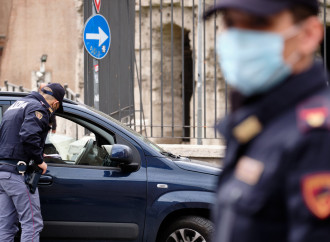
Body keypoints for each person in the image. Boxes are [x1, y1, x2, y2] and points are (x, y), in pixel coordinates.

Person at [204, 0, 330, 241]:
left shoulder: (317, 137)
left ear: (309, 34)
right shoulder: (260, 123)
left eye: (259, 23)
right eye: (231, 22)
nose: (240, 37)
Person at [0, 83, 65, 241]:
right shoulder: (39, 108)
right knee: (32, 224)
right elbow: (28, 136)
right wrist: (39, 160)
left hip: (3, 173)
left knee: (6, 226)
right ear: (55, 103)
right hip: (18, 174)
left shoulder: (17, 105)